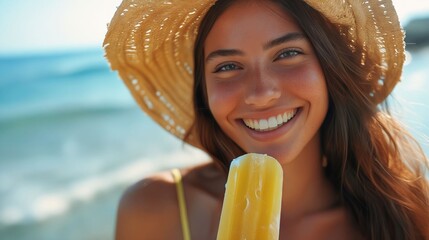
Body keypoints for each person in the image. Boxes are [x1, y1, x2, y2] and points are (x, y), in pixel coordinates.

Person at [103, 0, 429, 239]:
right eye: (227, 66)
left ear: (331, 71)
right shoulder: (152, 211)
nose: (260, 94)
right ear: (203, 92)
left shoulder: (407, 213)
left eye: (287, 54)